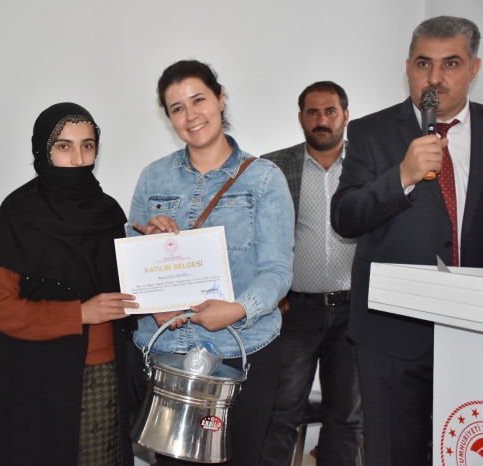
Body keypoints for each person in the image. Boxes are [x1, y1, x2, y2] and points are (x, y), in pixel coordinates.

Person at [331, 16, 483, 466]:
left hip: (474, 328)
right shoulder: (371, 132)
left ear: (474, 68)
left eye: (450, 63)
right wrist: (402, 176)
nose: (434, 78)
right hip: (392, 333)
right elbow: (345, 217)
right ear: (407, 68)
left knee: (467, 451)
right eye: (423, 63)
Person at [128, 60, 294, 466]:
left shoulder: (265, 178)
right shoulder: (152, 178)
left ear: (220, 99)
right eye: (177, 108)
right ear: (169, 117)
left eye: (198, 100)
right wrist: (153, 288)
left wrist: (236, 310)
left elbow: (277, 271)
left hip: (242, 350)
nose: (191, 115)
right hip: (167, 354)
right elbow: (133, 269)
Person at [0, 102, 137, 466]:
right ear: (43, 150)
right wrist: (79, 314)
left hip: (105, 374)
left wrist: (157, 246)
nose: (78, 159)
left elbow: (126, 290)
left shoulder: (108, 212)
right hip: (38, 379)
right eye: (64, 146)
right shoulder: (18, 214)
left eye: (88, 145)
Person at [259, 81, 361, 466]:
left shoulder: (366, 166)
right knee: (281, 411)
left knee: (346, 416)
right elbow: (258, 237)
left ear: (345, 116)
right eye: (313, 112)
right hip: (295, 311)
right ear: (300, 118)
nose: (322, 120)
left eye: (330, 111)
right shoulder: (273, 168)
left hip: (354, 311)